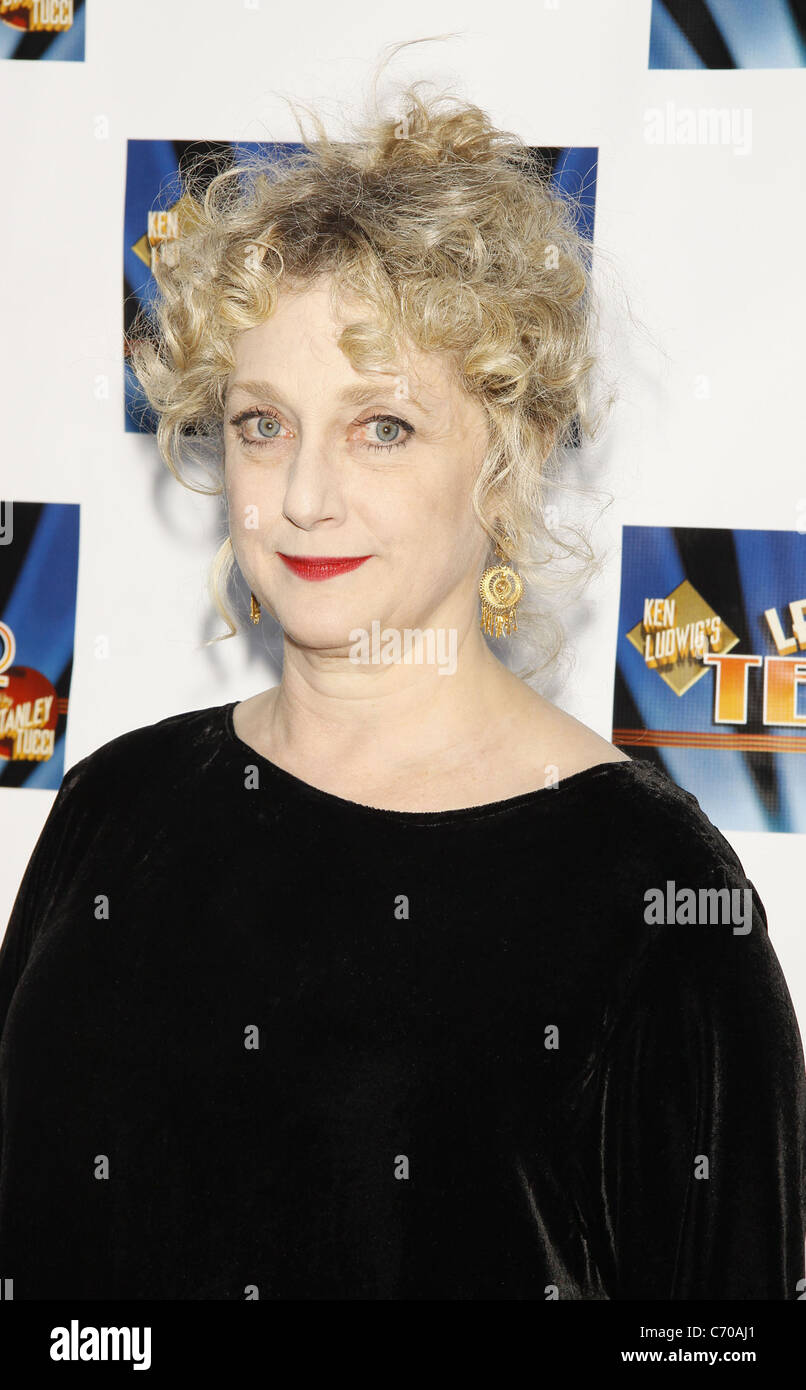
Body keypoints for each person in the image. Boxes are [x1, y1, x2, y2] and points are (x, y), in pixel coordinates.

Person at [1, 72, 804, 1301]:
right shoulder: (115, 809)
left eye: (381, 426)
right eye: (263, 423)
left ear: (512, 448)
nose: (305, 494)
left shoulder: (658, 903)